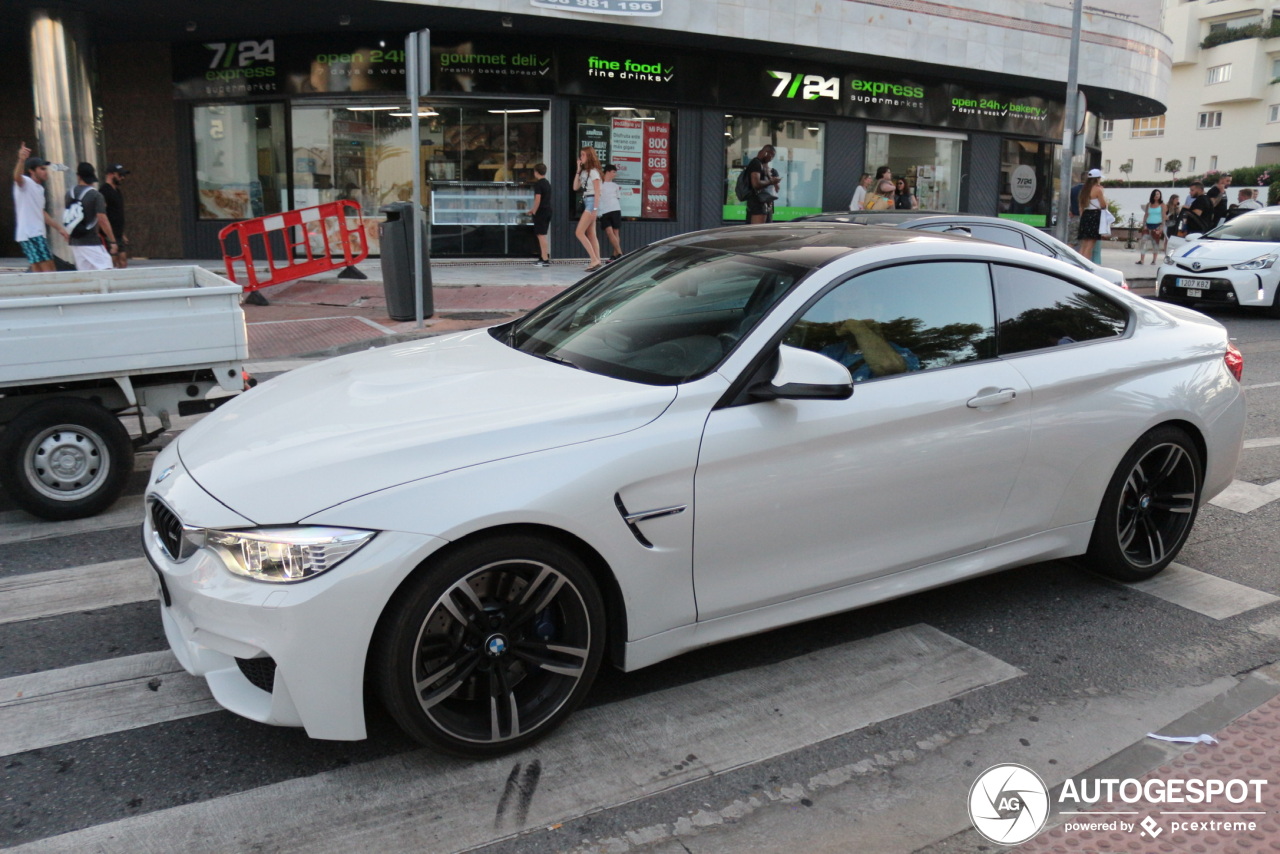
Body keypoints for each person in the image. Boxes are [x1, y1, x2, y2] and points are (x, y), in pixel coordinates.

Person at [11, 142, 68, 273]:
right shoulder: (26, 183)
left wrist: (59, 228)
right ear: (31, 171)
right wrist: (21, 160)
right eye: (41, 169)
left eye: (45, 169)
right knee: (49, 268)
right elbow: (17, 177)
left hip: (33, 233)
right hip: (31, 233)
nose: (45, 172)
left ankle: (42, 293)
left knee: (39, 269)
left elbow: (41, 212)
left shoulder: (39, 189)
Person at [819, 317, 920, 383]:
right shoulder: (831, 352)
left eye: (855, 305)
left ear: (876, 311)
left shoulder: (895, 352)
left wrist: (857, 327)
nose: (845, 317)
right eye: (839, 307)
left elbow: (889, 367)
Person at [66, 162, 117, 271]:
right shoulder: (96, 195)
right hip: (91, 241)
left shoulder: (69, 194)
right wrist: (112, 241)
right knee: (107, 269)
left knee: (86, 274)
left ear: (78, 176)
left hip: (75, 241)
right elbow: (102, 219)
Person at [572, 146, 603, 271]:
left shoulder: (594, 172)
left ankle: (594, 260)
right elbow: (575, 187)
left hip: (591, 202)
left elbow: (597, 191)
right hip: (587, 201)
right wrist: (578, 170)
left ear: (589, 156)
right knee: (591, 233)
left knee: (579, 232)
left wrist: (595, 209)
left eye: (583, 155)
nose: (581, 157)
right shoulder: (585, 173)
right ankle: (597, 260)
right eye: (581, 155)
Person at [99, 163, 129, 269]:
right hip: (109, 233)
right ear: (111, 174)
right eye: (120, 175)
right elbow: (101, 213)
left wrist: (122, 233)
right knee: (112, 260)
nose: (122, 178)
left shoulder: (117, 191)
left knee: (123, 260)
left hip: (118, 232)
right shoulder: (104, 191)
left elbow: (118, 212)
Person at [1076, 168, 1107, 264]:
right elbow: (1103, 205)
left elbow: (1081, 207)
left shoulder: (1084, 190)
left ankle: (1079, 264)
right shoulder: (1098, 190)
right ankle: (1085, 265)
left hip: (1085, 215)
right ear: (1097, 178)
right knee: (1090, 245)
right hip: (1094, 215)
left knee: (1084, 244)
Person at [746, 145, 781, 224]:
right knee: (757, 232)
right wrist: (771, 182)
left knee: (765, 231)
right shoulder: (756, 163)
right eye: (770, 154)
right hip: (758, 204)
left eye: (773, 156)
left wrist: (770, 177)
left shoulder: (771, 170)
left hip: (767, 204)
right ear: (765, 153)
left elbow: (777, 189)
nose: (771, 158)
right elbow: (756, 184)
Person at [597, 163, 623, 263]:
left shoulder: (615, 186)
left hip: (615, 209)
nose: (615, 174)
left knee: (616, 232)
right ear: (607, 172)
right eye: (613, 172)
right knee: (609, 231)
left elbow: (618, 198)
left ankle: (614, 255)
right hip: (604, 211)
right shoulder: (600, 184)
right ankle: (620, 253)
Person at [529, 163, 552, 267]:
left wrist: (534, 211)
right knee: (541, 234)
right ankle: (543, 257)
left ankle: (545, 259)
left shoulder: (538, 184)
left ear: (536, 172)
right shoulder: (547, 183)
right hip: (547, 210)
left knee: (541, 235)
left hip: (541, 212)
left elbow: (538, 199)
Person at [1137, 189, 1164, 266]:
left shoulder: (1162, 205)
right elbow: (1146, 215)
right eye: (1155, 194)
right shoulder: (1149, 204)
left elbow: (1163, 216)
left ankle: (1154, 260)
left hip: (1157, 225)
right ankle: (1142, 260)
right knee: (1143, 242)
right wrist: (1144, 225)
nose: (1156, 196)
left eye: (1158, 194)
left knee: (1155, 243)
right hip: (1148, 225)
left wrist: (1161, 228)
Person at [1068, 171, 1085, 249]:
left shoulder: (1073, 189)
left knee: (1071, 242)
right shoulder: (1090, 190)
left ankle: (1066, 258)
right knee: (1084, 244)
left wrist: (1071, 210)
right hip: (1086, 218)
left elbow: (1069, 202)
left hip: (1074, 217)